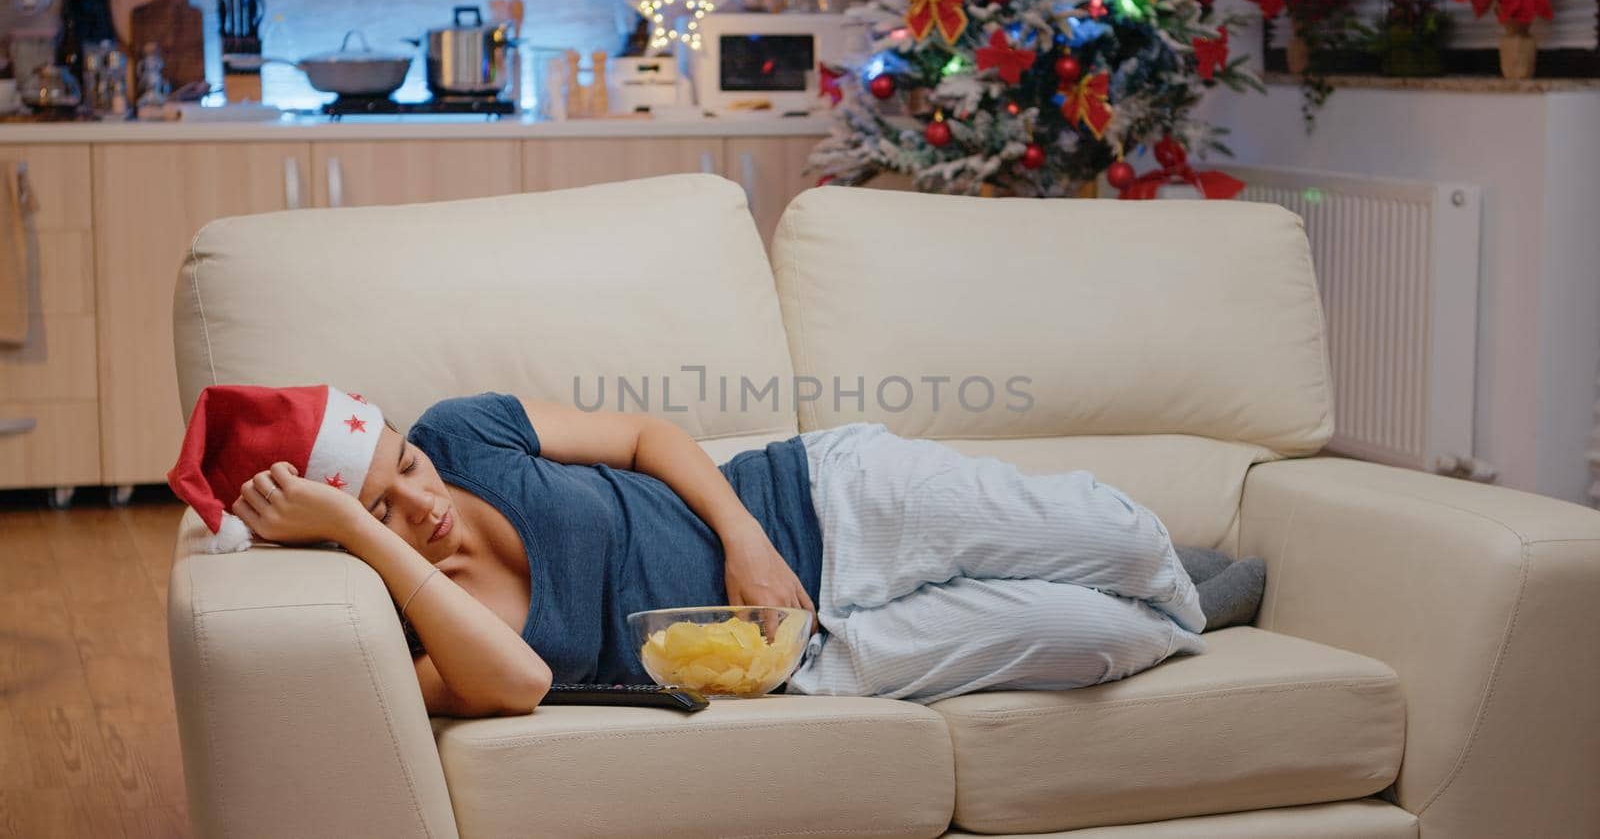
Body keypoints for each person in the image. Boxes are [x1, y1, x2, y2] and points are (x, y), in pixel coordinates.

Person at [168, 385, 1264, 717]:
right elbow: (522, 683)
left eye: (402, 466)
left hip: (814, 502)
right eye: (382, 510)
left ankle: (1159, 568)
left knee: (1113, 537)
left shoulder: (466, 433)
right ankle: (1182, 603)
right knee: (1093, 645)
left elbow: (648, 437)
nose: (424, 502)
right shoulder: (407, 630)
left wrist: (741, 537)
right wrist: (361, 531)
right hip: (802, 661)